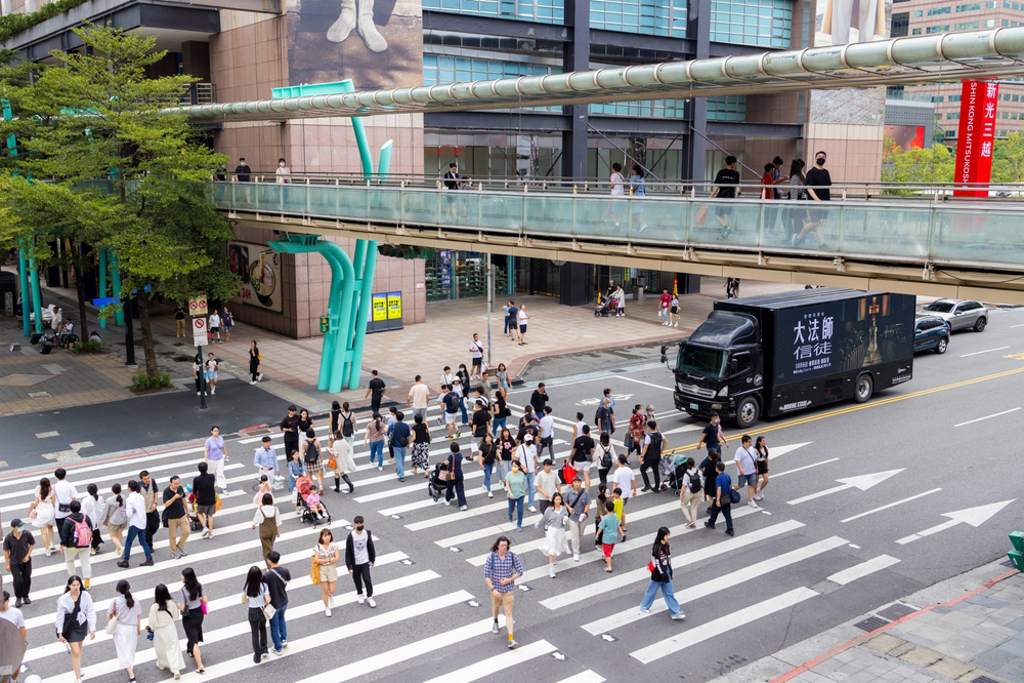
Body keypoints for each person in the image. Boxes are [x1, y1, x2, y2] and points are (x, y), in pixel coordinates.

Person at [483, 536, 523, 649]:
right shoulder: (491, 558)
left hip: (508, 589)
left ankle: (511, 639)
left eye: (506, 545)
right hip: (496, 589)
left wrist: (509, 580)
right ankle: (495, 621)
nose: (504, 548)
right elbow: (486, 576)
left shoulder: (512, 556)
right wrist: (493, 589)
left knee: (508, 612)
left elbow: (520, 571)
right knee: (496, 607)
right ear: (497, 546)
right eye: (502, 546)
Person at [55, 575, 96, 683]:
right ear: (69, 585)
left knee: (79, 647)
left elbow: (90, 611)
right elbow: (60, 616)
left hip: (81, 624)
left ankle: (77, 666)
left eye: (78, 585)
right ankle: (78, 677)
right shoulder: (63, 599)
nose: (76, 587)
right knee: (76, 651)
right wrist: (59, 632)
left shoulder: (85, 595)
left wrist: (92, 628)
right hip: (70, 625)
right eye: (73, 585)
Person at [640, 527, 686, 619]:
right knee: (651, 591)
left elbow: (668, 559)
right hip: (658, 573)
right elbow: (657, 561)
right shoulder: (658, 547)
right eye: (667, 535)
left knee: (669, 593)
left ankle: (675, 612)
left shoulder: (666, 545)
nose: (668, 537)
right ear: (662, 536)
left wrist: (669, 570)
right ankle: (644, 606)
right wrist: (663, 573)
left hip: (666, 571)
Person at [107, 580, 141, 682]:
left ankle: (131, 675)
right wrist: (138, 628)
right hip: (132, 627)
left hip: (120, 628)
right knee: (130, 648)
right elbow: (138, 616)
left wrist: (114, 616)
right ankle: (129, 667)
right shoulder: (135, 600)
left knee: (122, 650)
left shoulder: (115, 602)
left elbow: (108, 617)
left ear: (118, 590)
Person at [259, 551, 290, 656]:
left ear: (269, 561)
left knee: (274, 624)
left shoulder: (267, 575)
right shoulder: (285, 570)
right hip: (284, 600)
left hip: (274, 603)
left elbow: (264, 590)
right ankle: (284, 639)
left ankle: (278, 648)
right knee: (282, 618)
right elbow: (288, 581)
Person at [799, 151, 831, 247]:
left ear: (825, 159)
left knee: (820, 223)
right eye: (819, 156)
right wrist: (817, 200)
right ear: (815, 159)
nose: (821, 158)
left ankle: (822, 243)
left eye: (823, 156)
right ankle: (798, 237)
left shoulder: (826, 172)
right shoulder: (811, 172)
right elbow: (809, 187)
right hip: (815, 202)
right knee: (815, 222)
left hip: (825, 201)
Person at [177, 567, 207, 672]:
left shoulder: (182, 591)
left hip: (189, 617)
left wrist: (178, 605)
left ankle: (200, 665)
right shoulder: (199, 586)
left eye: (183, 576)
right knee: (194, 632)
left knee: (193, 640)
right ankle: (190, 649)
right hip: (199, 614)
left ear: (186, 578)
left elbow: (182, 607)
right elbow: (205, 599)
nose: (181, 577)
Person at [117, 480, 153, 568]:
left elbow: (129, 514)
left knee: (128, 542)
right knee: (143, 541)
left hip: (134, 523)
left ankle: (126, 560)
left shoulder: (129, 500)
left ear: (129, 488)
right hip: (142, 522)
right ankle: (149, 558)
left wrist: (125, 511)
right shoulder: (141, 497)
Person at [534, 492, 569, 579]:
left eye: (559, 499)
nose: (558, 501)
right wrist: (538, 524)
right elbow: (544, 519)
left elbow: (565, 520)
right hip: (552, 531)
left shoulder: (564, 509)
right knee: (552, 549)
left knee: (558, 546)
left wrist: (565, 521)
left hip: (560, 530)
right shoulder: (549, 510)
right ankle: (551, 570)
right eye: (556, 499)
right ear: (553, 500)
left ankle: (554, 558)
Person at [59, 500, 93, 586]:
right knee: (85, 563)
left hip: (72, 546)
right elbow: (90, 529)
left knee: (70, 561)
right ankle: (87, 583)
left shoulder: (68, 521)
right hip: (85, 544)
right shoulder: (86, 517)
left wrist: (62, 545)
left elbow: (64, 535)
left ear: (70, 509)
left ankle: (73, 581)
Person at [345, 516, 377, 607]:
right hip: (355, 562)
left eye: (361, 523)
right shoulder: (351, 536)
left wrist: (372, 559)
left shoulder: (367, 533)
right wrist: (349, 566)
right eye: (357, 524)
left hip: (365, 561)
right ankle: (360, 593)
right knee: (357, 579)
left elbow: (371, 546)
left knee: (367, 579)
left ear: (363, 523)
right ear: (354, 525)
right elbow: (348, 551)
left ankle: (369, 596)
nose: (359, 525)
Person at [240, 566, 270, 663]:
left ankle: (257, 656)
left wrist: (251, 599)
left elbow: (243, 601)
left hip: (252, 611)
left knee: (254, 634)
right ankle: (264, 649)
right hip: (262, 610)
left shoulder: (247, 586)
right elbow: (268, 600)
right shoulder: (264, 585)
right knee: (263, 628)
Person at [4, 519, 34, 607]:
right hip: (14, 562)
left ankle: (25, 595)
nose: (21, 528)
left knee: (27, 578)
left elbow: (32, 544)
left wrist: (27, 555)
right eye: (19, 526)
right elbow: (6, 551)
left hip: (26, 561)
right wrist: (7, 563)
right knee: (17, 580)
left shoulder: (27, 534)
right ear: (13, 528)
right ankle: (18, 597)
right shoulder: (8, 538)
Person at [709, 155, 740, 239]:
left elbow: (717, 186)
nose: (735, 164)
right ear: (732, 163)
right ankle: (727, 231)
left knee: (717, 214)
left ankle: (726, 230)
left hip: (721, 195)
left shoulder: (721, 172)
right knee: (726, 215)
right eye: (735, 162)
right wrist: (737, 194)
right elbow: (736, 187)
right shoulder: (736, 174)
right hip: (730, 196)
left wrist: (711, 196)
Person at [313, 528, 340, 616]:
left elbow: (337, 558)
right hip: (322, 570)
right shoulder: (318, 547)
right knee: (324, 591)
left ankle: (331, 595)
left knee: (332, 590)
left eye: (329, 535)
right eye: (325, 535)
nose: (327, 537)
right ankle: (327, 607)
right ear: (321, 537)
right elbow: (317, 559)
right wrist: (329, 559)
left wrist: (325, 561)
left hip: (331, 569)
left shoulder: (334, 545)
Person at [564, 476, 591, 562]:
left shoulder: (585, 493)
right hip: (573, 517)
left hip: (582, 517)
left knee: (581, 533)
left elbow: (588, 503)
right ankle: (576, 552)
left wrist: (585, 513)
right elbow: (564, 502)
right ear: (573, 483)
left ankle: (576, 542)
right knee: (575, 536)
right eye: (575, 482)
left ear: (580, 483)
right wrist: (569, 508)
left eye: (578, 482)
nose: (576, 484)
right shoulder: (569, 492)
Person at [706, 461, 735, 536]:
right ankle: (730, 529)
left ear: (718, 469)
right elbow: (730, 486)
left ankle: (711, 523)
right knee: (728, 515)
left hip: (720, 498)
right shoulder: (727, 476)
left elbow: (719, 488)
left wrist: (718, 499)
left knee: (714, 512)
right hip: (727, 498)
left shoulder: (718, 478)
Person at [252, 493, 282, 567]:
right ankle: (273, 562)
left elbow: (256, 519)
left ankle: (270, 565)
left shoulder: (260, 510)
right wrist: (278, 531)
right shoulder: (275, 509)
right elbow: (278, 521)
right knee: (270, 546)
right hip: (272, 530)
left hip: (264, 531)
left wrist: (253, 525)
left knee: (266, 549)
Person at [192, 462, 217, 540]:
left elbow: (195, 490)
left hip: (202, 499)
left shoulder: (196, 479)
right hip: (211, 499)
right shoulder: (212, 476)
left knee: (199, 513)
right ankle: (210, 532)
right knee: (210, 516)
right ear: (207, 468)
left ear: (199, 470)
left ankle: (204, 526)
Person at [734, 434, 760, 508]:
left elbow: (755, 459)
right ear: (744, 442)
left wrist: (756, 468)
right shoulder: (739, 451)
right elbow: (737, 461)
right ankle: (733, 489)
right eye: (749, 442)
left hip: (751, 471)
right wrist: (740, 469)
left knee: (751, 485)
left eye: (751, 441)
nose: (750, 443)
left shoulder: (752, 449)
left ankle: (751, 500)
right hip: (743, 472)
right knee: (741, 485)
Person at [515, 433, 539, 512]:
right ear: (524, 440)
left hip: (532, 471)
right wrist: (523, 467)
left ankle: (531, 504)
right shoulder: (520, 448)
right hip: (523, 472)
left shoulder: (533, 447)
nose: (529, 442)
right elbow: (516, 459)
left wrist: (535, 469)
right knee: (523, 487)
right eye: (528, 441)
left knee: (532, 489)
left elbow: (534, 458)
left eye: (530, 441)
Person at [596, 500, 622, 572]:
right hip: (614, 536)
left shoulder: (605, 518)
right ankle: (605, 558)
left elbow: (600, 528)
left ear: (606, 509)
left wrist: (597, 534)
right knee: (610, 550)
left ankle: (609, 567)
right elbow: (618, 525)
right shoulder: (616, 516)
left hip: (607, 537)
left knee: (607, 552)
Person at [139, 470, 161, 551]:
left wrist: (155, 502)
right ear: (141, 479)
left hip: (152, 509)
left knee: (155, 526)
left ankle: (145, 537)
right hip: (144, 512)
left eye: (148, 478)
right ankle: (149, 546)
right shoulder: (138, 486)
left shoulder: (152, 482)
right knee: (147, 529)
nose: (147, 480)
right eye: (145, 479)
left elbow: (156, 492)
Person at [503, 459, 527, 531]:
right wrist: (510, 493)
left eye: (515, 466)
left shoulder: (521, 474)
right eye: (513, 466)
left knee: (520, 510)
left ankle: (519, 524)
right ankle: (510, 515)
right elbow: (507, 484)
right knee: (511, 508)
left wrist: (522, 490)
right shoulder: (509, 474)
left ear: (519, 467)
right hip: (511, 495)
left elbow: (523, 483)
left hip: (520, 495)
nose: (514, 467)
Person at [53, 467, 78, 536]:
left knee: (61, 531)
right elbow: (74, 499)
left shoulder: (54, 487)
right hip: (70, 511)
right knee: (72, 529)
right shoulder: (70, 485)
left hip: (58, 512)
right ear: (65, 474)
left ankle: (64, 544)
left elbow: (53, 500)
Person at [103, 483, 127, 555]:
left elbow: (105, 512)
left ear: (112, 490)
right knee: (119, 534)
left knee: (113, 536)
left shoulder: (109, 500)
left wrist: (101, 520)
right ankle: (117, 549)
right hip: (123, 519)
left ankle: (121, 548)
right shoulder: (124, 497)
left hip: (114, 520)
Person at [570, 424, 595, 492]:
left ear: (582, 431)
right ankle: (587, 490)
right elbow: (592, 450)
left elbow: (574, 451)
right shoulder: (591, 440)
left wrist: (570, 457)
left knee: (576, 474)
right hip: (587, 460)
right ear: (588, 432)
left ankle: (576, 488)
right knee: (586, 475)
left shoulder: (578, 440)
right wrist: (591, 457)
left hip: (578, 460)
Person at [680, 457, 703, 529]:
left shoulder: (687, 474)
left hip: (688, 492)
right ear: (694, 463)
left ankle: (689, 520)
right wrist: (701, 492)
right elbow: (701, 482)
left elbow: (684, 485)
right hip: (696, 492)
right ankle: (694, 523)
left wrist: (681, 494)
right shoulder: (699, 472)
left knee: (683, 506)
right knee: (694, 508)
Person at [444, 442, 468, 510]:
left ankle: (447, 500)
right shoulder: (460, 455)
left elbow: (446, 463)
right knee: (460, 489)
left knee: (449, 487)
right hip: (459, 472)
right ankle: (463, 504)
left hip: (451, 473)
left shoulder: (451, 456)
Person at [300, 427, 326, 491]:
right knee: (317, 474)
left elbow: (303, 451)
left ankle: (311, 487)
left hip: (308, 460)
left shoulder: (304, 442)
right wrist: (321, 459)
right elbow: (319, 451)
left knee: (309, 474)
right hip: (316, 460)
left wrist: (301, 460)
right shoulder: (317, 441)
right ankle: (320, 486)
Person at [204, 425, 228, 493]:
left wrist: (225, 455)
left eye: (217, 431)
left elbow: (223, 447)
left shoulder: (221, 439)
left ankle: (223, 487)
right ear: (212, 432)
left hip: (220, 459)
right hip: (211, 460)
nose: (216, 432)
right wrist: (206, 461)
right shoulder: (209, 440)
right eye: (214, 431)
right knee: (211, 474)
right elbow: (206, 450)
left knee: (220, 473)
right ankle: (210, 488)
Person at [81, 483, 104, 555]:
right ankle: (95, 546)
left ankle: (92, 548)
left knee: (90, 533)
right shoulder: (100, 498)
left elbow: (83, 512)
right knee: (95, 532)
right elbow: (100, 510)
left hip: (88, 520)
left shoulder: (85, 500)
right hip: (96, 520)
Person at [391, 411, 411, 482]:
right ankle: (400, 469)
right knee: (402, 459)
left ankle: (401, 475)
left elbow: (389, 434)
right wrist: (408, 443)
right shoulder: (406, 425)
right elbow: (408, 436)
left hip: (396, 445)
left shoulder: (393, 425)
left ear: (396, 417)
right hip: (403, 444)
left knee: (398, 460)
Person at [477, 432, 498, 497]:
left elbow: (497, 452)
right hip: (485, 463)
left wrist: (500, 459)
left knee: (488, 474)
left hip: (491, 462)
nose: (489, 439)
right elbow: (480, 455)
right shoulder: (482, 446)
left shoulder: (493, 445)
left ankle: (484, 483)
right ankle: (489, 491)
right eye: (487, 438)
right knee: (488, 477)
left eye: (490, 438)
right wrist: (480, 464)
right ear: (484, 439)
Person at [629, 164, 648, 231]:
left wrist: (630, 195)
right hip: (642, 195)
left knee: (635, 212)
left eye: (633, 169)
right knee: (637, 211)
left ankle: (642, 224)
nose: (632, 171)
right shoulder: (642, 178)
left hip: (635, 196)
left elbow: (631, 187)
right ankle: (634, 226)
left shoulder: (633, 177)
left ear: (635, 171)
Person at [608, 162, 625, 228]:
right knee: (619, 211)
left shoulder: (613, 175)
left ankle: (616, 224)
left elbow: (612, 185)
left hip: (615, 196)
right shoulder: (621, 176)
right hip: (621, 195)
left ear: (614, 169)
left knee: (610, 212)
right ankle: (619, 223)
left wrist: (610, 185)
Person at [754, 435, 770, 501]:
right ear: (759, 442)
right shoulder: (755, 450)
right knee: (756, 480)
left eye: (764, 441)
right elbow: (755, 460)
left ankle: (760, 490)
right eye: (763, 441)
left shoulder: (765, 448)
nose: (764, 442)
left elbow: (766, 457)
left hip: (763, 463)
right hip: (757, 464)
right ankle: (755, 493)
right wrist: (756, 468)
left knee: (766, 480)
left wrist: (767, 466)